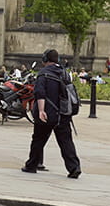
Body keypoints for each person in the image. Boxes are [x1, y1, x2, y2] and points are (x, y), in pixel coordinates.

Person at [22, 48, 81, 178]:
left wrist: (41, 110)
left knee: (38, 140)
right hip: (64, 113)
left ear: (44, 60)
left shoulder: (43, 74)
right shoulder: (64, 73)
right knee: (66, 141)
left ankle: (32, 165)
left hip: (48, 112)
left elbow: (40, 93)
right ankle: (74, 167)